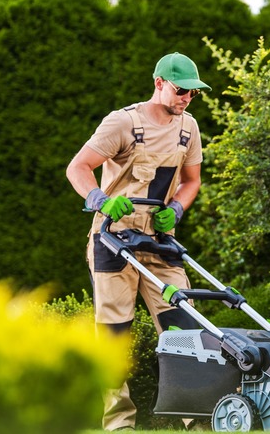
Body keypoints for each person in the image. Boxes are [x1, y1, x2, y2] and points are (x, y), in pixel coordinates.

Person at [66, 52, 210, 432]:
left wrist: (176, 210)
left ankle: (195, 418)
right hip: (113, 238)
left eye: (193, 94)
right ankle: (119, 425)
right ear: (160, 82)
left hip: (159, 241)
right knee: (114, 335)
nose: (186, 100)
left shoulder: (188, 128)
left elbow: (191, 181)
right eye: (181, 91)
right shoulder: (123, 123)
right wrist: (100, 200)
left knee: (183, 329)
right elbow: (77, 167)